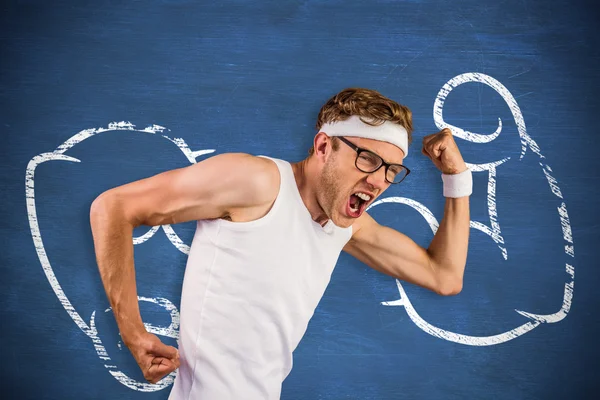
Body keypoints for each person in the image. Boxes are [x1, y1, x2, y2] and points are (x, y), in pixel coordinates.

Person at [89, 88, 471, 399]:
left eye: (391, 170)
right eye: (368, 159)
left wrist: (457, 178)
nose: (378, 181)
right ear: (324, 147)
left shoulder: (345, 225)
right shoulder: (257, 182)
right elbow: (114, 207)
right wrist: (133, 334)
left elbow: (444, 276)